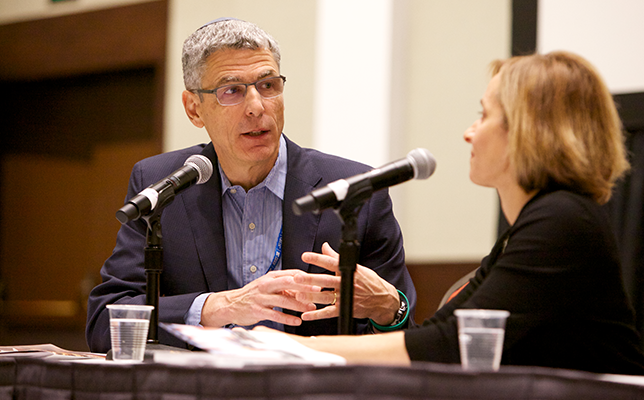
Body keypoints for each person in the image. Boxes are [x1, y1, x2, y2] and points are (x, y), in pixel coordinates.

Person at [280, 51, 644, 375]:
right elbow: (442, 334)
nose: (468, 133)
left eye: (483, 115)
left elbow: (445, 346)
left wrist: (290, 349)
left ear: (527, 131)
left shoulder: (562, 223)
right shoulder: (532, 227)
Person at [85, 17, 416, 353]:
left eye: (268, 85)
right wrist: (216, 307)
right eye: (232, 91)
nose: (257, 107)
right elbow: (104, 320)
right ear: (194, 109)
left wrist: (391, 308)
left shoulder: (354, 192)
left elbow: (407, 334)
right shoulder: (161, 185)